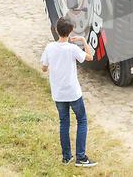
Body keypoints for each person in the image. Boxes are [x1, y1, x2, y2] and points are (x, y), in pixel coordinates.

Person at [41, 17, 97, 167]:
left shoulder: (50, 47)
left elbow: (44, 68)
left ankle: (67, 157)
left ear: (57, 30)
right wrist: (84, 41)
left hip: (58, 93)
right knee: (82, 120)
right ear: (71, 31)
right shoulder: (72, 49)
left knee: (64, 123)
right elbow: (89, 57)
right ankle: (81, 157)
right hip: (73, 92)